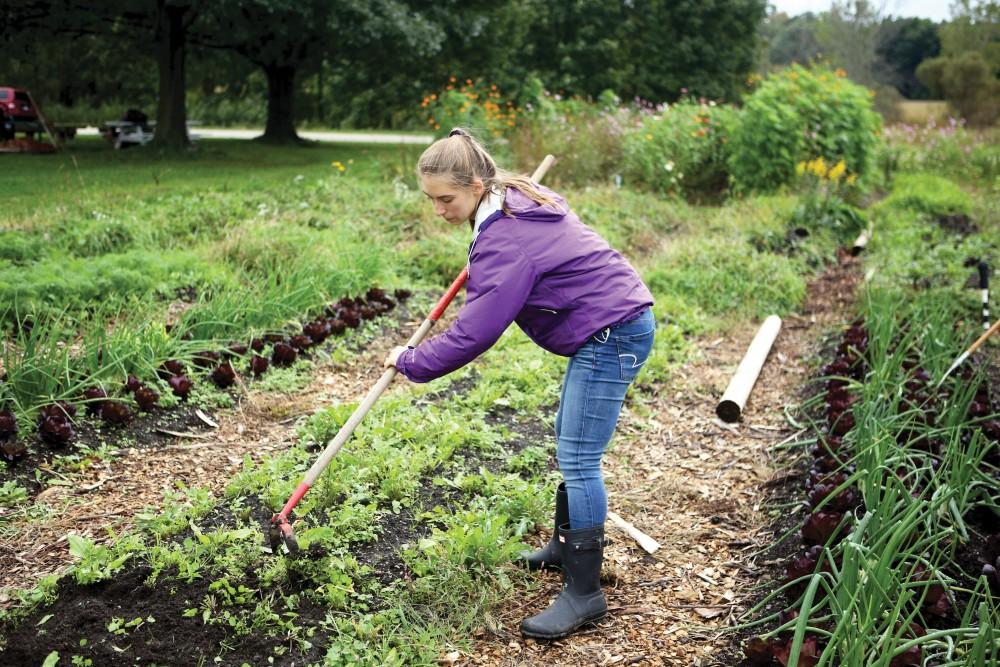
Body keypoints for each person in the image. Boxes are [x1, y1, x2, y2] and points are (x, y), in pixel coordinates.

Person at [384, 128, 655, 639]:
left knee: (578, 458)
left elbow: (474, 332)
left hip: (612, 332)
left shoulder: (505, 238)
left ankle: (584, 593)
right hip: (611, 318)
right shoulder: (519, 197)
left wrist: (411, 360)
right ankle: (562, 546)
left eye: (447, 199)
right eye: (431, 199)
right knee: (570, 443)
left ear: (477, 183)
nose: (439, 210)